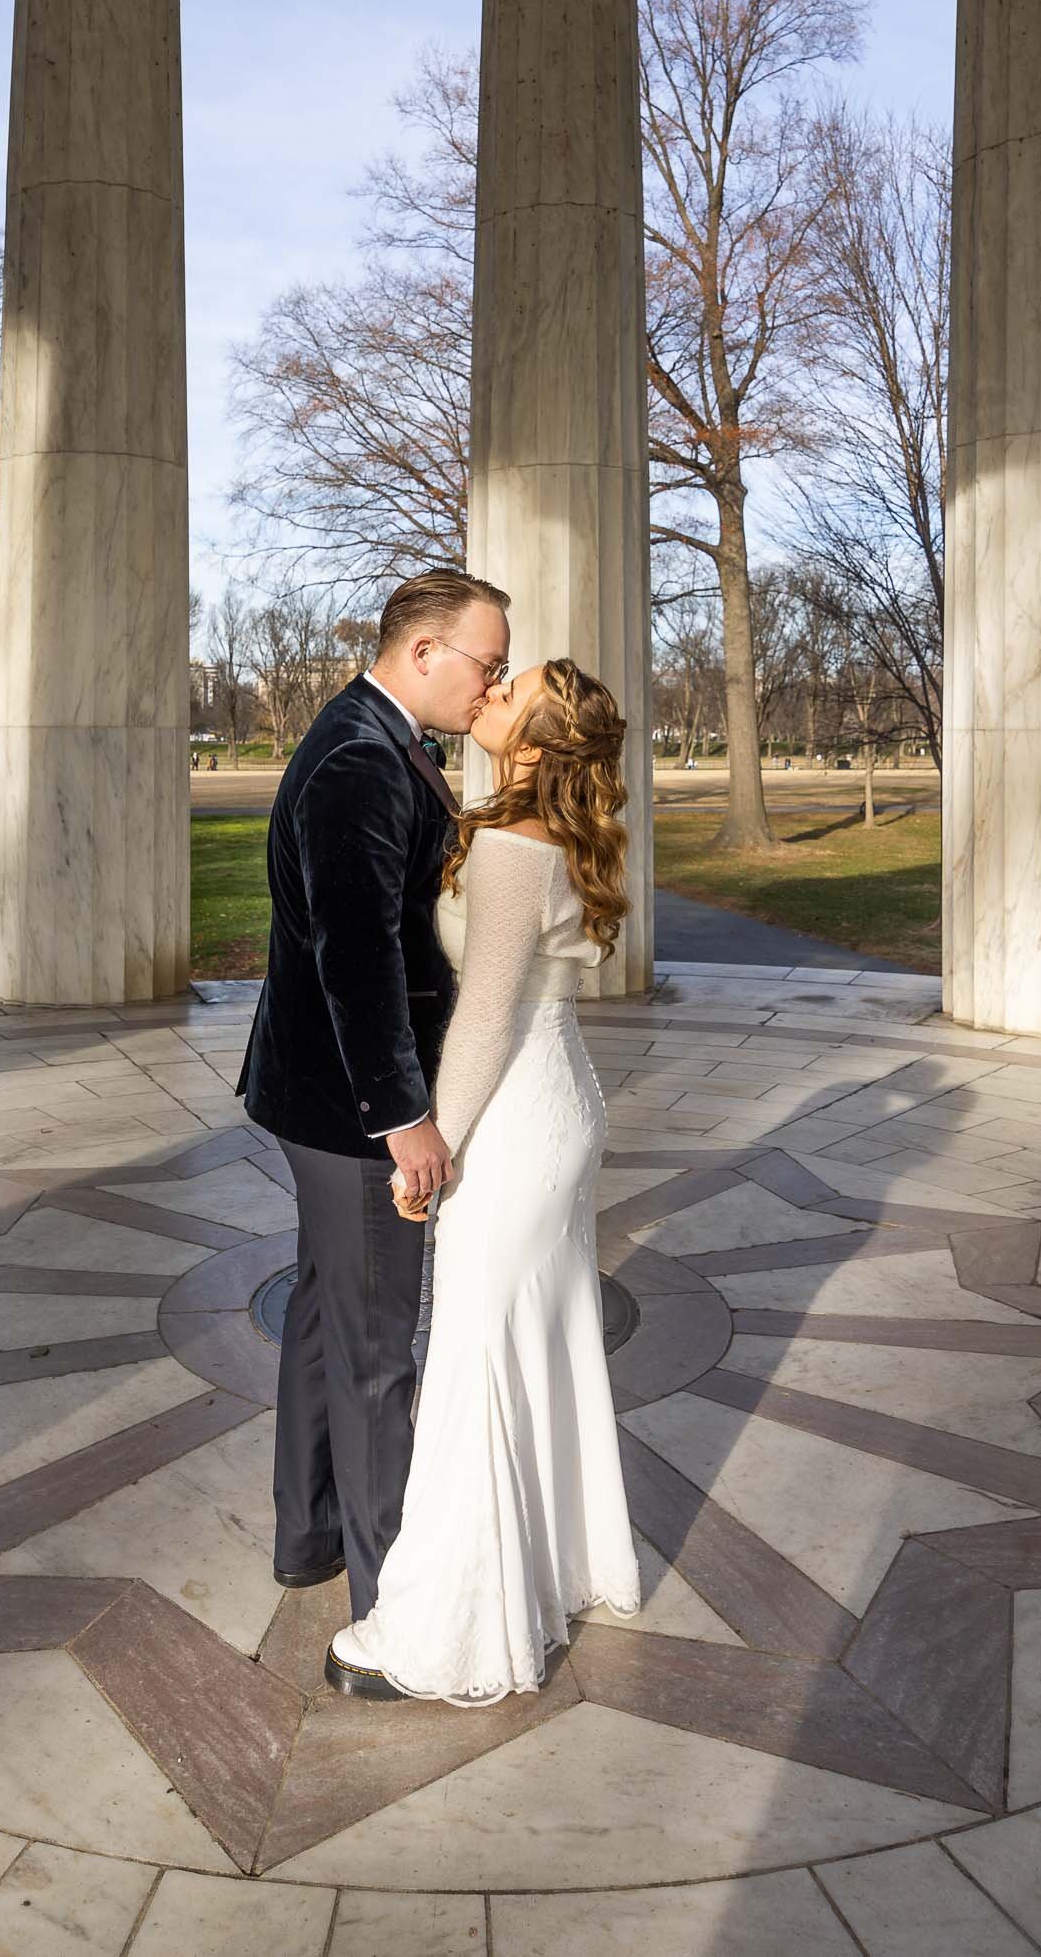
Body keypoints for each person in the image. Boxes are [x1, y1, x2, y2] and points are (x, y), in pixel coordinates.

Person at [326, 657, 642, 1704]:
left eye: (513, 694)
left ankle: (448, 1631)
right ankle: (551, 1567)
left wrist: (430, 1142)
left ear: (541, 745)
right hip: (562, 1102)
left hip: (509, 1118)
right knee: (532, 1343)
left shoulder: (511, 848)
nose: (490, 694)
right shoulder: (546, 835)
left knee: (471, 1357)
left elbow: (486, 1016)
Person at [236, 566, 511, 1631]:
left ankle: (308, 1535)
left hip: (313, 1098)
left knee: (323, 1316)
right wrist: (405, 1123)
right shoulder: (360, 759)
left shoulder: (374, 737)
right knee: (374, 1350)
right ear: (422, 651)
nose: (490, 684)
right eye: (485, 663)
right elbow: (355, 959)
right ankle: (393, 1601)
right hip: (352, 1115)